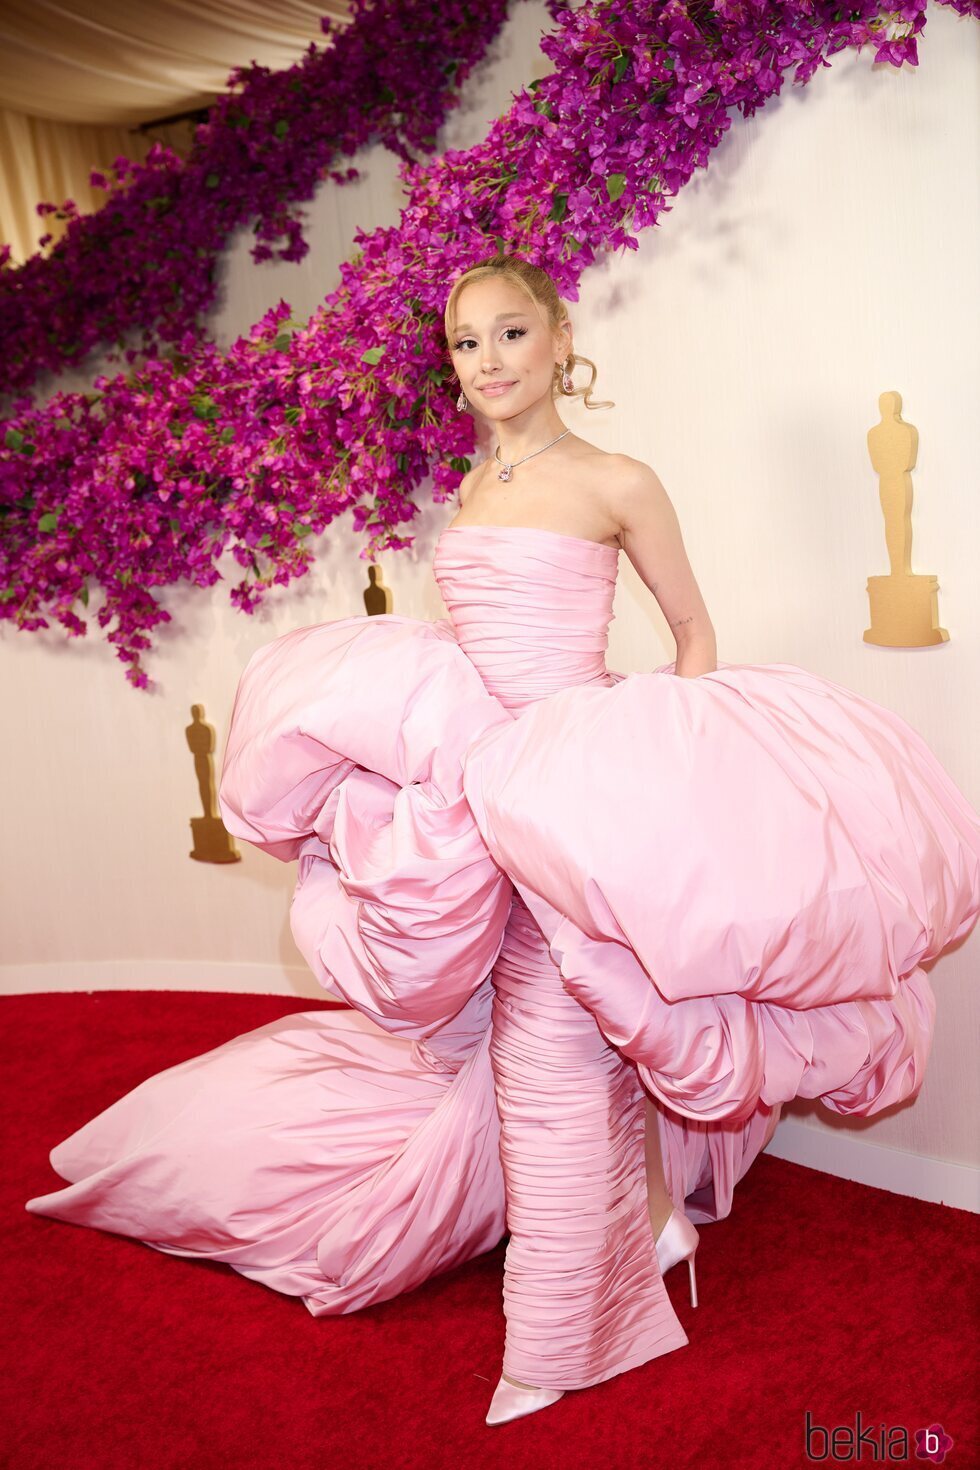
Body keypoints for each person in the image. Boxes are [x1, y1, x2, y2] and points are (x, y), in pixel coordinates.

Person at [26, 254, 980, 1429]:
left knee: (550, 1063)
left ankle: (562, 1339)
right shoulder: (468, 490)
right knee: (555, 1041)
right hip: (480, 800)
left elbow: (690, 632)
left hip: (571, 801)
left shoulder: (616, 478)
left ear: (558, 333)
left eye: (509, 334)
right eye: (465, 343)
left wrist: (660, 783)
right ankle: (644, 1216)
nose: (487, 362)